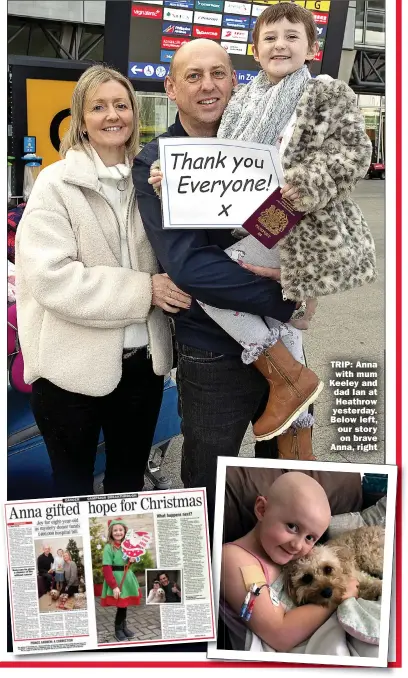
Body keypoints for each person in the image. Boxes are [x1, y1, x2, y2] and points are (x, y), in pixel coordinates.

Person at [149, 4, 376, 460]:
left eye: (293, 37)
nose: (280, 45)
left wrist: (297, 193)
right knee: (261, 300)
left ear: (312, 47)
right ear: (255, 50)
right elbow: (219, 160)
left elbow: (355, 152)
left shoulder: (324, 93)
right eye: (270, 38)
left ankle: (286, 375)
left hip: (296, 218)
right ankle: (293, 383)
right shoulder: (245, 99)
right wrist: (171, 176)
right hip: (251, 219)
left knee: (210, 279)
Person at [133, 40, 313, 527]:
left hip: (284, 342)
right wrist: (288, 296)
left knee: (287, 475)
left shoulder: (267, 148)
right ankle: (201, 589)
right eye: (193, 76)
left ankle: (266, 573)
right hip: (212, 353)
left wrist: (302, 267)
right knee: (207, 482)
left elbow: (288, 226)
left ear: (236, 82)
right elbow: (190, 267)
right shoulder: (157, 161)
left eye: (219, 73)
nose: (208, 85)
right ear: (171, 88)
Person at [15, 64, 190, 498]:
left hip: (142, 368)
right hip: (68, 373)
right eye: (99, 107)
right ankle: (67, 569)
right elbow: (50, 278)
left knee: (126, 484)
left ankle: (119, 567)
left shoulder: (151, 179)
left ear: (134, 112)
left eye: (121, 104)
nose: (113, 115)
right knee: (71, 491)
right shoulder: (55, 184)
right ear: (81, 119)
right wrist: (144, 290)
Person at [220, 472, 359, 652]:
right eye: (292, 527)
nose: (297, 545)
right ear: (262, 509)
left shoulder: (290, 556)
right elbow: (279, 634)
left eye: (310, 537)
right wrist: (340, 595)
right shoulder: (234, 558)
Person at [101, 518, 141, 642]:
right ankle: (118, 629)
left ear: (125, 531)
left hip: (127, 577)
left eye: (120, 530)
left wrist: (131, 561)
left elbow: (127, 564)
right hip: (117, 580)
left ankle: (124, 627)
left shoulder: (127, 546)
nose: (118, 532)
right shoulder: (109, 547)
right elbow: (106, 568)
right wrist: (114, 586)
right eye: (115, 530)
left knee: (124, 606)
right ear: (111, 533)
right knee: (120, 606)